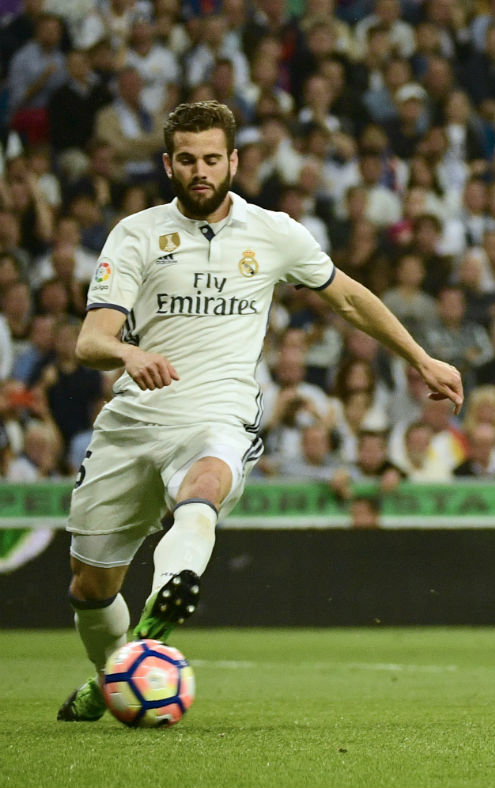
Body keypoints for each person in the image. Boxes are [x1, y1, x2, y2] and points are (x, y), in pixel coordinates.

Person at [57, 101, 463, 722]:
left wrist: (420, 358)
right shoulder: (136, 233)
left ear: (234, 161)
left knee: (207, 483)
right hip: (135, 419)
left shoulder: (273, 232)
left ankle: (174, 586)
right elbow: (90, 340)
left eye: (212, 159)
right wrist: (126, 351)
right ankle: (115, 671)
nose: (201, 171)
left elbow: (349, 299)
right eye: (188, 159)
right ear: (169, 164)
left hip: (218, 409)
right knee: (89, 588)